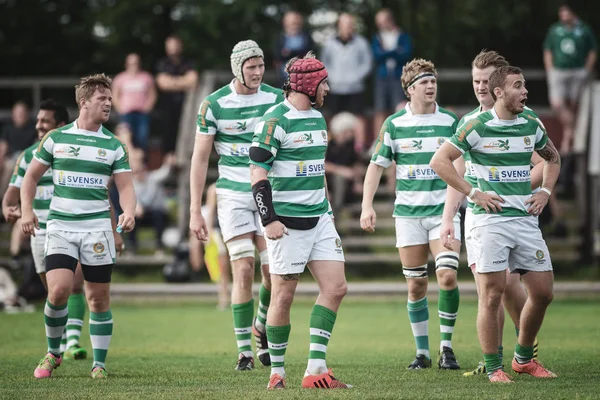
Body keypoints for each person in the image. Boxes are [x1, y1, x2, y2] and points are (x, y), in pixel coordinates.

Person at [431, 65, 560, 383]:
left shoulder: (531, 121)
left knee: (543, 292)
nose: (525, 91)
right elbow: (439, 161)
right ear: (499, 91)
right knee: (492, 293)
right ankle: (493, 367)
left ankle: (523, 358)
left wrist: (545, 191)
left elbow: (553, 158)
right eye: (519, 86)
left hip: (524, 219)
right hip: (487, 221)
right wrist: (473, 192)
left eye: (525, 85)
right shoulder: (476, 125)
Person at [20, 74, 136, 379]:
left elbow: (125, 187)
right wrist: (27, 211)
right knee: (57, 291)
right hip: (60, 227)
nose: (109, 103)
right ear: (83, 102)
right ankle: (53, 352)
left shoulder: (114, 145)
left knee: (98, 298)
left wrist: (129, 211)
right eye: (102, 98)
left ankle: (99, 364)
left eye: (110, 98)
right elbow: (29, 178)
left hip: (97, 231)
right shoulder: (56, 139)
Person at [249, 51, 350, 390]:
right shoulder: (274, 121)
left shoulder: (319, 119)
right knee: (283, 296)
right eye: (323, 82)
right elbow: (257, 175)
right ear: (308, 84)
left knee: (336, 287)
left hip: (319, 218)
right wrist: (269, 220)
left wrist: (328, 210)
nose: (328, 88)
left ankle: (316, 369)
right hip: (286, 223)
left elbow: (317, 171)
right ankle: (277, 371)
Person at [361, 58, 461, 370]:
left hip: (442, 212)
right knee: (416, 285)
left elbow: (461, 166)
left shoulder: (450, 122)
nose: (431, 86)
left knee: (447, 276)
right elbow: (376, 166)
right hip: (408, 216)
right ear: (409, 89)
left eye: (433, 81)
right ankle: (423, 353)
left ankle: (446, 348)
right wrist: (367, 206)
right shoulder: (394, 124)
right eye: (424, 82)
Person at [189, 40, 283, 370]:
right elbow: (200, 159)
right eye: (251, 66)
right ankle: (245, 351)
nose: (257, 72)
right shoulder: (213, 104)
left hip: (269, 192)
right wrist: (194, 209)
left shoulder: (276, 98)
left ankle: (260, 325)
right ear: (237, 68)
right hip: (231, 194)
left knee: (273, 274)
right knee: (242, 268)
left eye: (261, 66)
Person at [2, 99, 91, 359]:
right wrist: (9, 209)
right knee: (54, 291)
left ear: (61, 126)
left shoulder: (76, 153)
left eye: (45, 121)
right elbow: (10, 196)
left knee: (74, 283)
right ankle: (61, 340)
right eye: (38, 120)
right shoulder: (27, 156)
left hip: (69, 225)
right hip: (39, 230)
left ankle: (73, 342)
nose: (39, 125)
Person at [543, 4, 596, 155]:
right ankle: (572, 132)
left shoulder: (584, 30)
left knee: (573, 105)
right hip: (559, 71)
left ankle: (567, 139)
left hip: (577, 71)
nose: (564, 16)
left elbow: (592, 50)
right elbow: (548, 49)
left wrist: (587, 69)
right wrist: (550, 69)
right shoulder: (555, 30)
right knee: (557, 104)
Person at [321, 13, 372, 152]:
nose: (348, 27)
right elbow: (325, 63)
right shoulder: (329, 43)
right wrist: (333, 77)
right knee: (332, 115)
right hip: (336, 87)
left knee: (359, 116)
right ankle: (332, 145)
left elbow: (367, 63)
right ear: (339, 26)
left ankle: (359, 147)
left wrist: (356, 77)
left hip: (356, 87)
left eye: (351, 24)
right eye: (345, 24)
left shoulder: (361, 42)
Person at [372, 9, 412, 144]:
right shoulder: (377, 37)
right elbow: (377, 55)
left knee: (399, 107)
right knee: (380, 109)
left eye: (382, 22)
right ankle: (379, 141)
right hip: (382, 77)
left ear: (389, 20)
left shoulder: (402, 36)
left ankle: (399, 138)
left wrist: (386, 52)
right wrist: (395, 51)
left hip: (398, 76)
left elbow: (406, 54)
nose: (380, 26)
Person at [189, 182, 231, 310]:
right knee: (221, 267)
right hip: (217, 231)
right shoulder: (215, 189)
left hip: (231, 228)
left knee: (232, 266)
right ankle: (224, 298)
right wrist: (209, 235)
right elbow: (211, 211)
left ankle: (231, 297)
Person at [155, 35, 199, 153]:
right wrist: (183, 82)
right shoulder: (162, 63)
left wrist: (172, 82)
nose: (173, 48)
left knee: (187, 132)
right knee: (168, 134)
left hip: (187, 106)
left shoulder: (188, 62)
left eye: (175, 45)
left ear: (180, 46)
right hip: (167, 107)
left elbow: (193, 81)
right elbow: (162, 83)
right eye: (170, 45)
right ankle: (168, 160)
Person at [130, 150, 175, 255]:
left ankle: (160, 248)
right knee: (130, 217)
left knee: (158, 215)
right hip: (140, 214)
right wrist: (137, 207)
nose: (138, 174)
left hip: (156, 214)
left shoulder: (153, 178)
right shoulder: (131, 184)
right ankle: (132, 247)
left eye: (140, 171)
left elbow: (164, 172)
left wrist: (168, 163)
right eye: (135, 171)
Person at [112, 53, 157, 151]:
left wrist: (148, 108)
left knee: (142, 138)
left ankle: (142, 163)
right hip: (126, 113)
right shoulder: (120, 78)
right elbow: (115, 96)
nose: (134, 66)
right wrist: (120, 109)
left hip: (142, 113)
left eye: (136, 63)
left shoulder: (146, 77)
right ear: (126, 64)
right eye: (131, 63)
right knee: (125, 140)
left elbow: (152, 94)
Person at [325, 112, 363, 215]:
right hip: (328, 183)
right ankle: (335, 213)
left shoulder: (350, 145)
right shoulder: (327, 144)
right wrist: (340, 171)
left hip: (348, 184)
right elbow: (322, 165)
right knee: (339, 178)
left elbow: (356, 164)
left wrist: (358, 181)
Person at [0, 101, 37, 196]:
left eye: (22, 112)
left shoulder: (33, 127)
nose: (20, 115)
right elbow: (3, 147)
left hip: (27, 158)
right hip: (11, 158)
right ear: (13, 114)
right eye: (18, 113)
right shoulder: (8, 128)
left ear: (27, 114)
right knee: (9, 167)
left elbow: (37, 146)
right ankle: (3, 197)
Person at [273, 11, 315, 86]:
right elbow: (278, 55)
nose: (295, 25)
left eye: (296, 22)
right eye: (292, 23)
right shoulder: (280, 38)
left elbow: (309, 52)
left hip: (304, 79)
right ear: (285, 23)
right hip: (284, 79)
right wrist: (298, 53)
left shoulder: (306, 37)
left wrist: (290, 53)